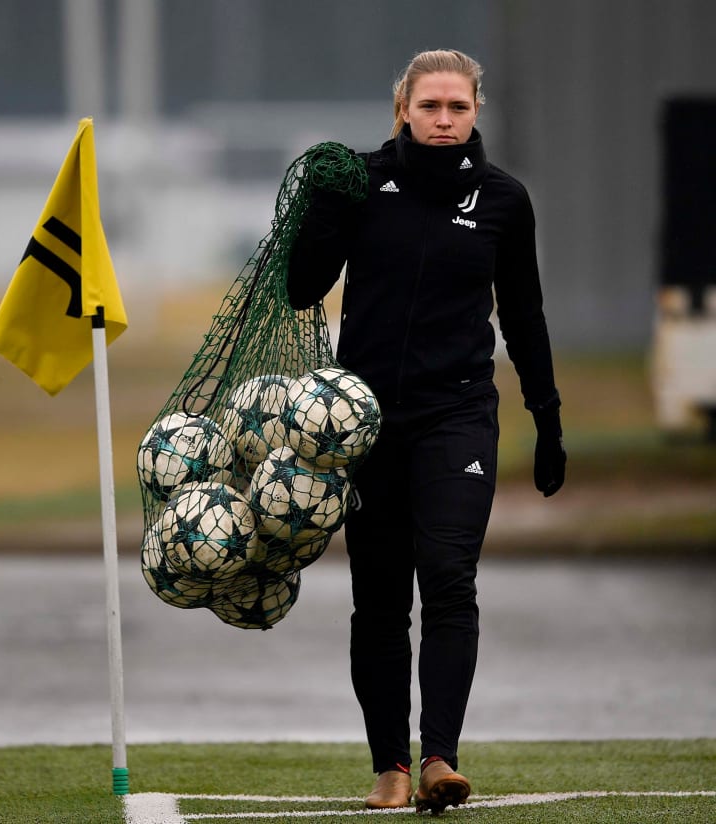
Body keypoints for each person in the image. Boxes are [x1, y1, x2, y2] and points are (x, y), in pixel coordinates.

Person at [286, 49, 566, 813]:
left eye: (459, 108)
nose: (445, 122)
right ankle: (390, 766)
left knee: (449, 579)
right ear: (402, 109)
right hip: (367, 423)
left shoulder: (505, 200)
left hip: (459, 415)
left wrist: (548, 417)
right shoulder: (360, 184)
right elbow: (301, 287)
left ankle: (439, 756)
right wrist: (326, 216)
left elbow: (527, 313)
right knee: (378, 598)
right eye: (430, 107)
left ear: (477, 111)